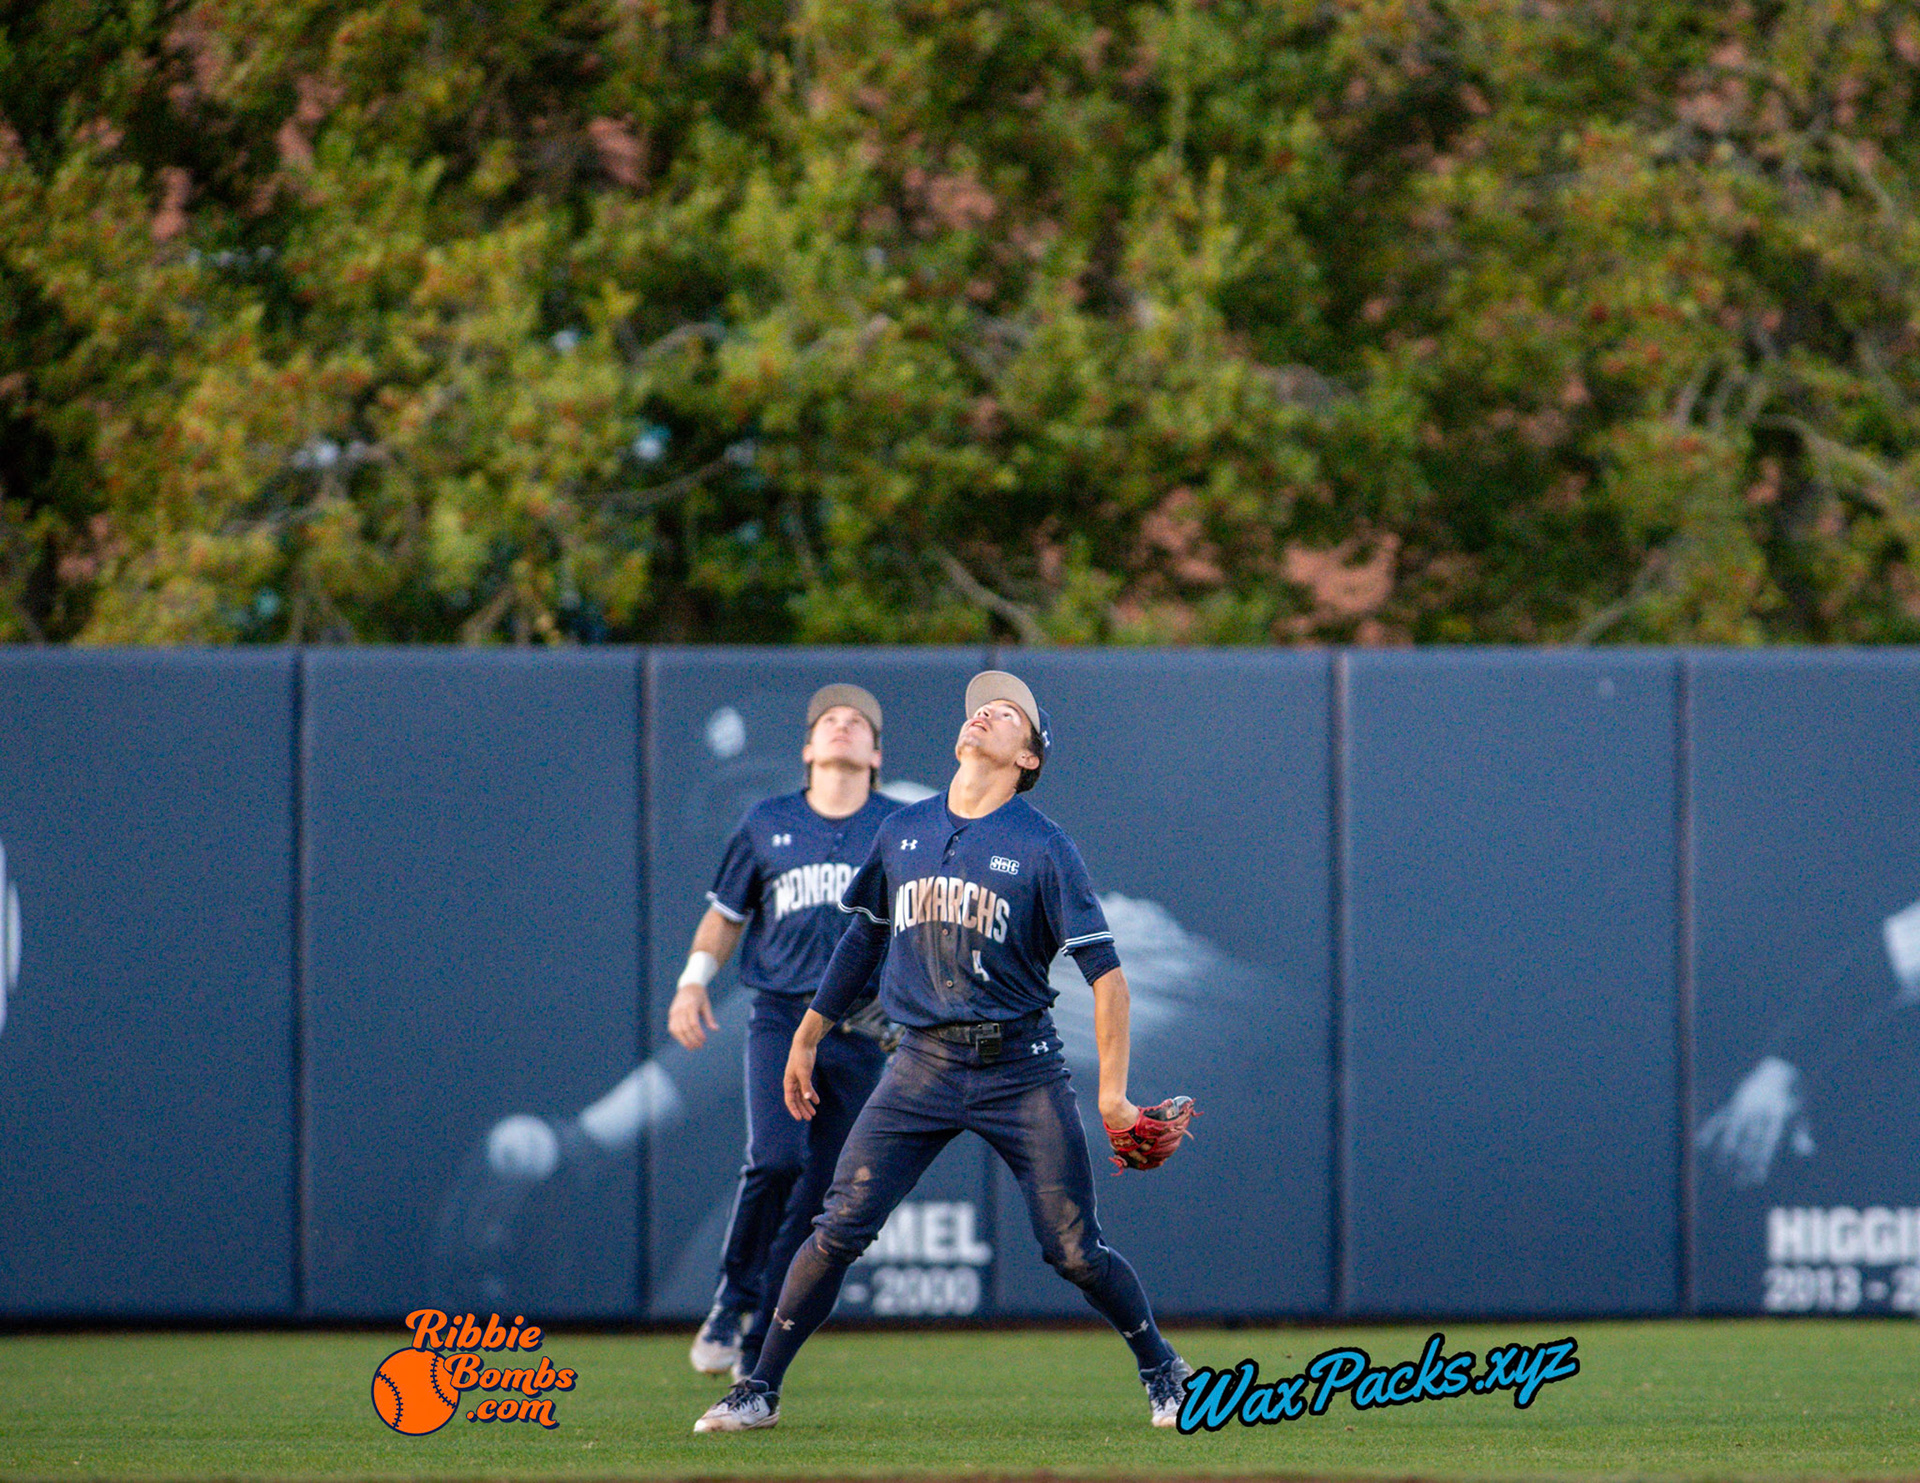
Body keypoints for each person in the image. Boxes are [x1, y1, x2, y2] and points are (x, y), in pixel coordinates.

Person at [693, 671, 1193, 1434]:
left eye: (1008, 714)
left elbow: (1109, 979)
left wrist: (1114, 1095)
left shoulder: (1044, 845)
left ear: (1028, 757)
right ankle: (758, 1385)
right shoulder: (904, 830)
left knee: (1073, 1249)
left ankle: (1163, 1366)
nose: (985, 713)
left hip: (1019, 1067)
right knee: (837, 1228)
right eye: (980, 707)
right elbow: (862, 936)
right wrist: (807, 1032)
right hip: (920, 1065)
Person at [673, 684, 902, 1378]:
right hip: (777, 1012)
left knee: (820, 1197)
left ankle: (756, 1346)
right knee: (774, 1157)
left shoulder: (901, 826)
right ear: (807, 748)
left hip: (860, 1028)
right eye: (829, 721)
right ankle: (730, 1298)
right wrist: (691, 978)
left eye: (857, 722)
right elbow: (725, 913)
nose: (841, 727)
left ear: (876, 753)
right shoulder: (765, 821)